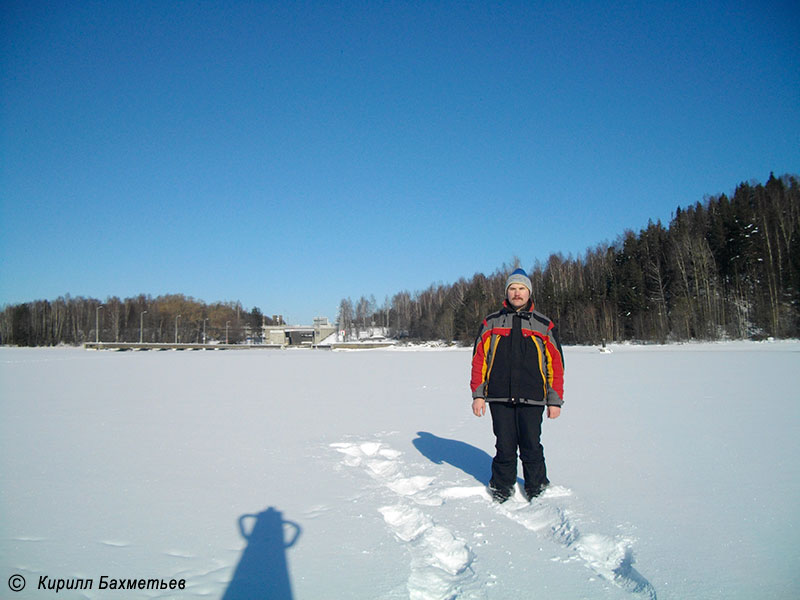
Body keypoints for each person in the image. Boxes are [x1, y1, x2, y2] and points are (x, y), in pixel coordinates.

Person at [470, 268, 565, 503]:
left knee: (532, 443)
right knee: (504, 444)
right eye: (512, 288)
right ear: (507, 292)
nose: (517, 293)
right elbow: (479, 360)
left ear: (529, 292)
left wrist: (554, 400)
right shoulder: (491, 322)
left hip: (533, 397)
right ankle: (502, 485)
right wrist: (478, 395)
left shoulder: (543, 324)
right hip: (499, 396)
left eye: (521, 288)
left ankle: (537, 485)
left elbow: (555, 365)